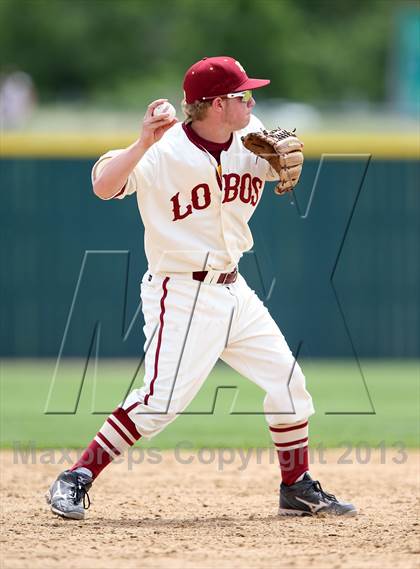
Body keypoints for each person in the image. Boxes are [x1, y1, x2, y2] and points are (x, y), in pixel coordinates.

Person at [46, 56, 356, 520]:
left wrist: (283, 165)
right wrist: (141, 142)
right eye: (241, 95)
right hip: (182, 291)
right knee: (158, 403)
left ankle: (295, 487)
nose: (252, 101)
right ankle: (76, 477)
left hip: (234, 289)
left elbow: (277, 170)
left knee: (289, 384)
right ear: (214, 105)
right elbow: (103, 185)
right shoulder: (164, 151)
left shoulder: (251, 136)